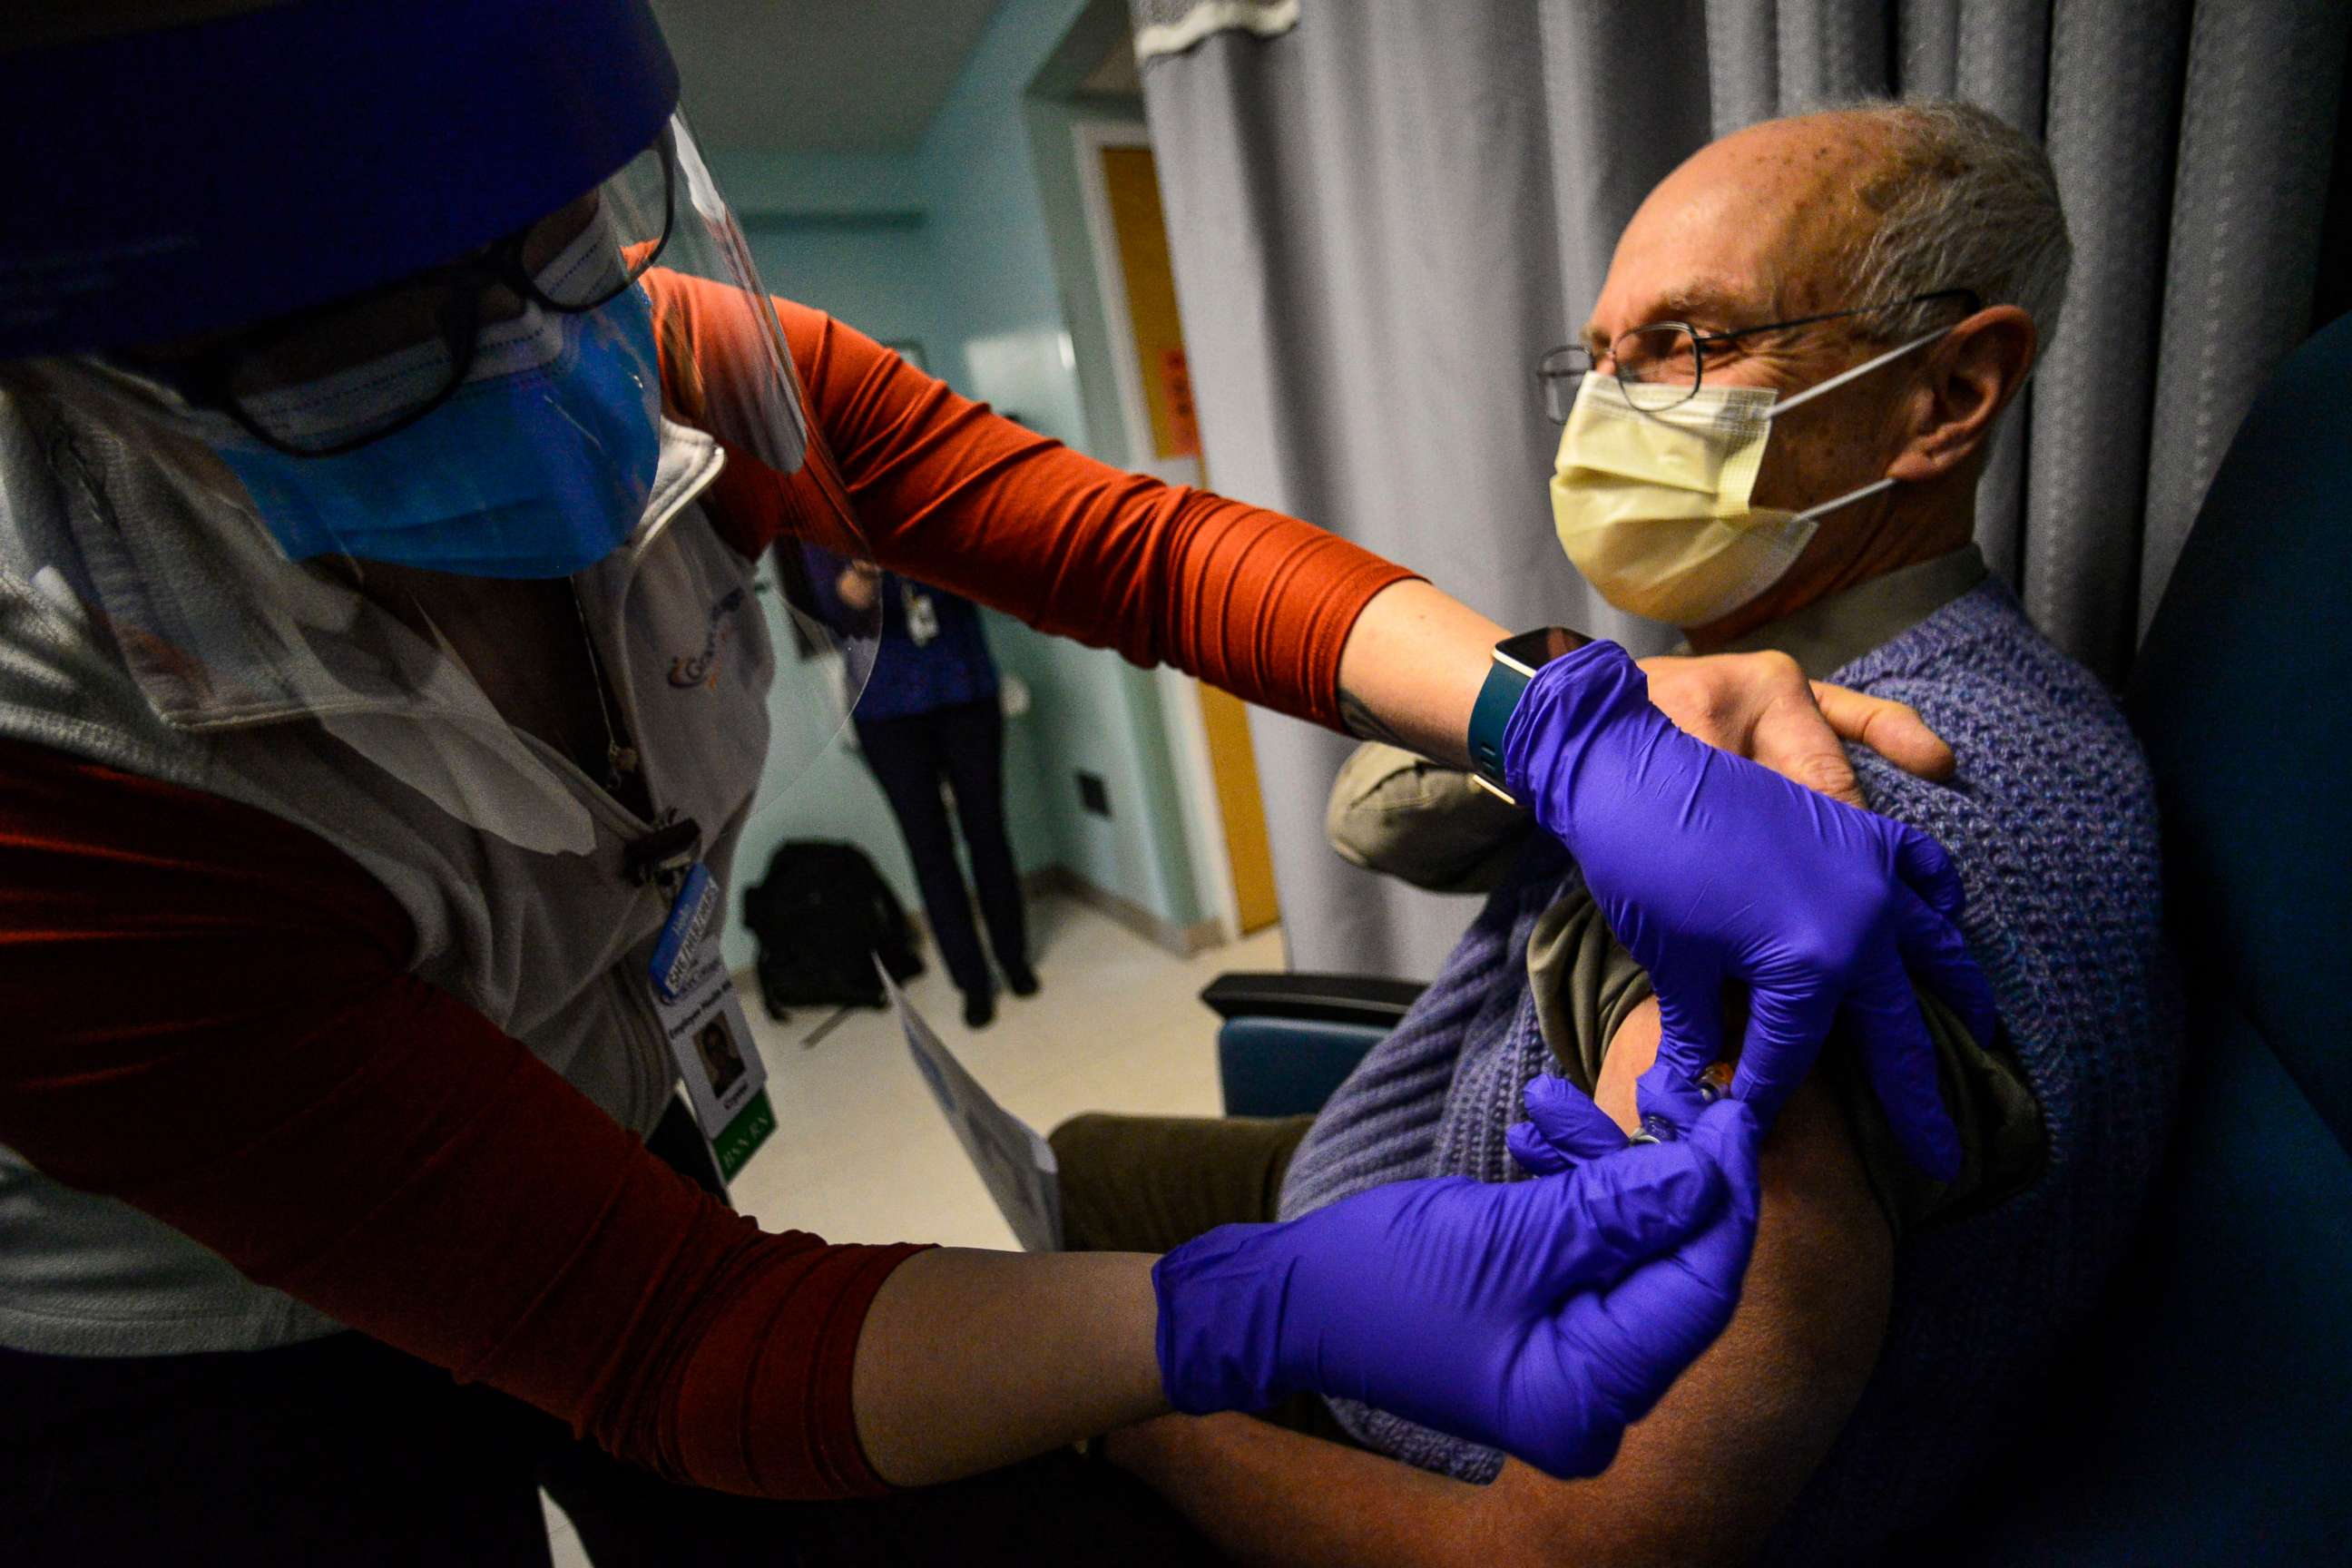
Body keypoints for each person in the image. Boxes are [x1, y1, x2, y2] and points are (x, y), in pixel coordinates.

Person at [0, 5, 1986, 1561]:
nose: (548, 345)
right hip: (189, 1345)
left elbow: (1147, 553)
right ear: (108, 366)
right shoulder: (54, 765)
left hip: (602, 1088)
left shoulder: (637, 350)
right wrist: (1222, 1321)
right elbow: (670, 1339)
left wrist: (1545, 715)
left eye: (557, 240)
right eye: (377, 334)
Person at [1055, 100, 2180, 1564]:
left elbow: (1568, 1553)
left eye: (1689, 342)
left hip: (1443, 1434)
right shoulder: (1756, 685)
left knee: (1014, 1334)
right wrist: (1586, 717)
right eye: (1597, 358)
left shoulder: (1804, 835)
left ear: (1945, 394)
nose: (1609, 410)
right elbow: (1380, 812)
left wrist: (1121, 1408)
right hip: (1414, 1164)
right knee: (1076, 1158)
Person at [811, 553, 1034, 1028]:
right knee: (929, 849)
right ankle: (971, 981)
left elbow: (986, 573)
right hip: (886, 710)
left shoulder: (931, 493)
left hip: (965, 688)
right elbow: (838, 607)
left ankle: (1014, 959)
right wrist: (870, 564)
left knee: (988, 832)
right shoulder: (825, 521)